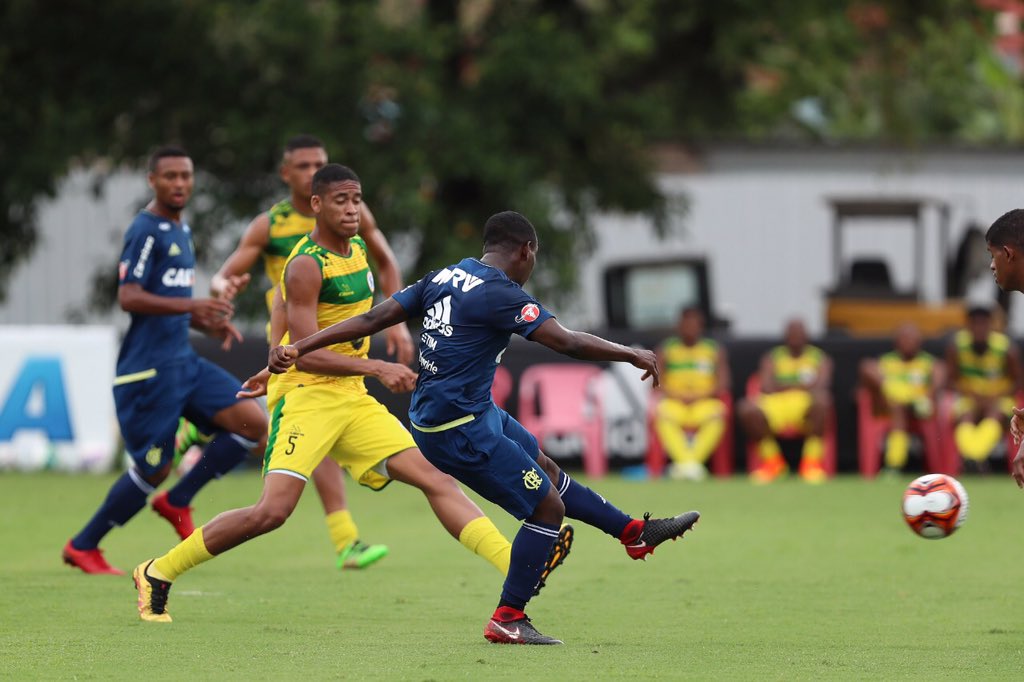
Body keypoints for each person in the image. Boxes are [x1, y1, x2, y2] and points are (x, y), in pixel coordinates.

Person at [132, 166, 571, 625]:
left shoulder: (358, 249)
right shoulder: (304, 264)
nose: (351, 208)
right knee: (272, 511)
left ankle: (517, 564)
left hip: (352, 398)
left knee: (436, 479)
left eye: (356, 199)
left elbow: (318, 330)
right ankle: (157, 571)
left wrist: (283, 359)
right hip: (307, 398)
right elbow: (305, 354)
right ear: (317, 205)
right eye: (340, 200)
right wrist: (374, 365)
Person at [262, 206, 700, 645]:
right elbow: (565, 340)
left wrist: (298, 346)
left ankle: (633, 533)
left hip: (461, 412)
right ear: (526, 251)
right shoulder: (501, 293)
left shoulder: (444, 276)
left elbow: (373, 319)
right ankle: (508, 618)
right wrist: (630, 352)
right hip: (458, 428)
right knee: (547, 508)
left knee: (543, 466)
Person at [204, 134, 407, 570]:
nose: (312, 169)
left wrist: (400, 321)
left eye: (320, 161)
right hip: (293, 343)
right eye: (302, 165)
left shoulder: (350, 209)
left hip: (342, 343)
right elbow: (225, 276)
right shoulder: (271, 226)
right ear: (286, 174)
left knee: (329, 434)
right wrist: (224, 292)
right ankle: (345, 539)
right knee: (299, 461)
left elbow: (387, 261)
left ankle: (346, 540)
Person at [62, 147, 268, 575]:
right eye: (170, 176)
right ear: (151, 179)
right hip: (148, 371)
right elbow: (129, 296)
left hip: (183, 362)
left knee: (253, 424)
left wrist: (204, 322)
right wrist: (191, 306)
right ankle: (83, 545)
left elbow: (169, 304)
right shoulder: (147, 229)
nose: (179, 183)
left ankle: (178, 500)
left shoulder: (182, 229)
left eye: (186, 176)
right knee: (154, 468)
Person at [738, 319, 833, 484]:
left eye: (799, 333)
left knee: (823, 402)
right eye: (792, 333)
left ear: (806, 336)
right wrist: (801, 384)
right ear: (785, 336)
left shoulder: (819, 358)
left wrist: (784, 384)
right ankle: (773, 464)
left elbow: (821, 385)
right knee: (746, 409)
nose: (795, 337)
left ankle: (811, 465)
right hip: (777, 404)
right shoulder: (772, 357)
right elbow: (767, 386)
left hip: (804, 405)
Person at [653, 306, 730, 481]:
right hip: (675, 402)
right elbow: (656, 382)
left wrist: (700, 395)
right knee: (661, 412)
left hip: (704, 402)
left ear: (701, 326)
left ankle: (686, 465)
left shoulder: (714, 350)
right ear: (679, 326)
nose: (689, 329)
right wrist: (677, 394)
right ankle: (691, 466)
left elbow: (723, 383)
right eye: (685, 325)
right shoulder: (666, 349)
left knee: (718, 413)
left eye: (693, 325)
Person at [945, 306, 1021, 472]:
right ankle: (975, 458)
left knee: (995, 414)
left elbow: (1018, 381)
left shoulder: (1005, 348)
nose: (979, 328)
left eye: (983, 324)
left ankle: (972, 457)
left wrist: (997, 395)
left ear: (990, 325)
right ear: (968, 326)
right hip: (968, 397)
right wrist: (968, 393)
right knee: (965, 416)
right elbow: (949, 381)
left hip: (999, 397)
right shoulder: (956, 347)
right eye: (974, 324)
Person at [859, 322, 943, 472]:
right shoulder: (886, 361)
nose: (908, 342)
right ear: (896, 341)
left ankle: (894, 465)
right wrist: (888, 386)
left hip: (920, 408)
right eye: (904, 338)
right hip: (890, 408)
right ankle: (895, 463)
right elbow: (866, 369)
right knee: (897, 406)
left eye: (912, 338)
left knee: (903, 405)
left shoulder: (929, 362)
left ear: (919, 342)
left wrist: (928, 395)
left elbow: (940, 378)